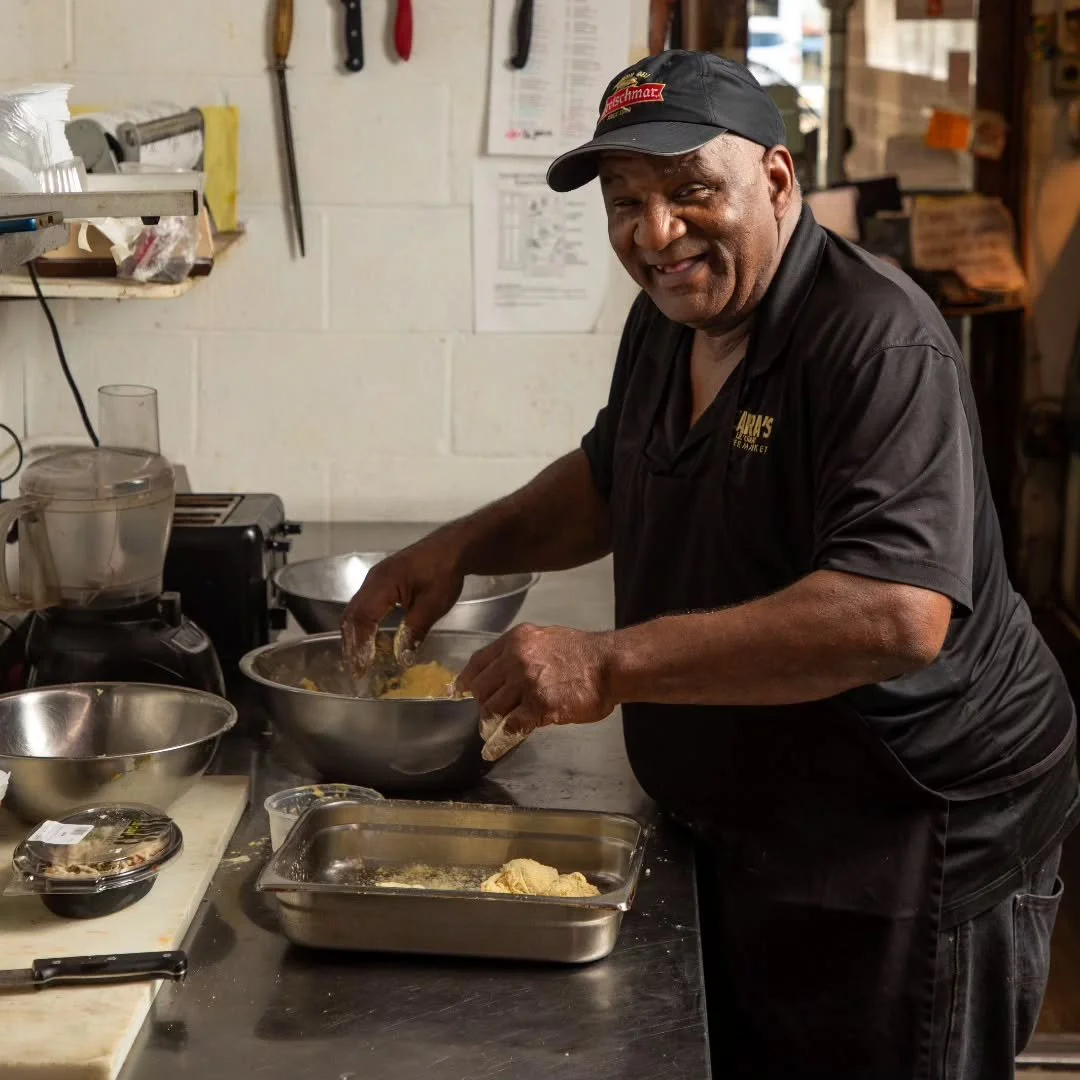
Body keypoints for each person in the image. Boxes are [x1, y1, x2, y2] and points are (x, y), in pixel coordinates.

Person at [343, 50, 1079, 1079]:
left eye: (691, 191)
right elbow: (613, 475)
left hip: (910, 829)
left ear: (776, 181)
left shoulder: (875, 343)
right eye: (625, 202)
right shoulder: (667, 317)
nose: (654, 233)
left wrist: (606, 663)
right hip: (763, 816)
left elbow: (896, 614)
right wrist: (461, 547)